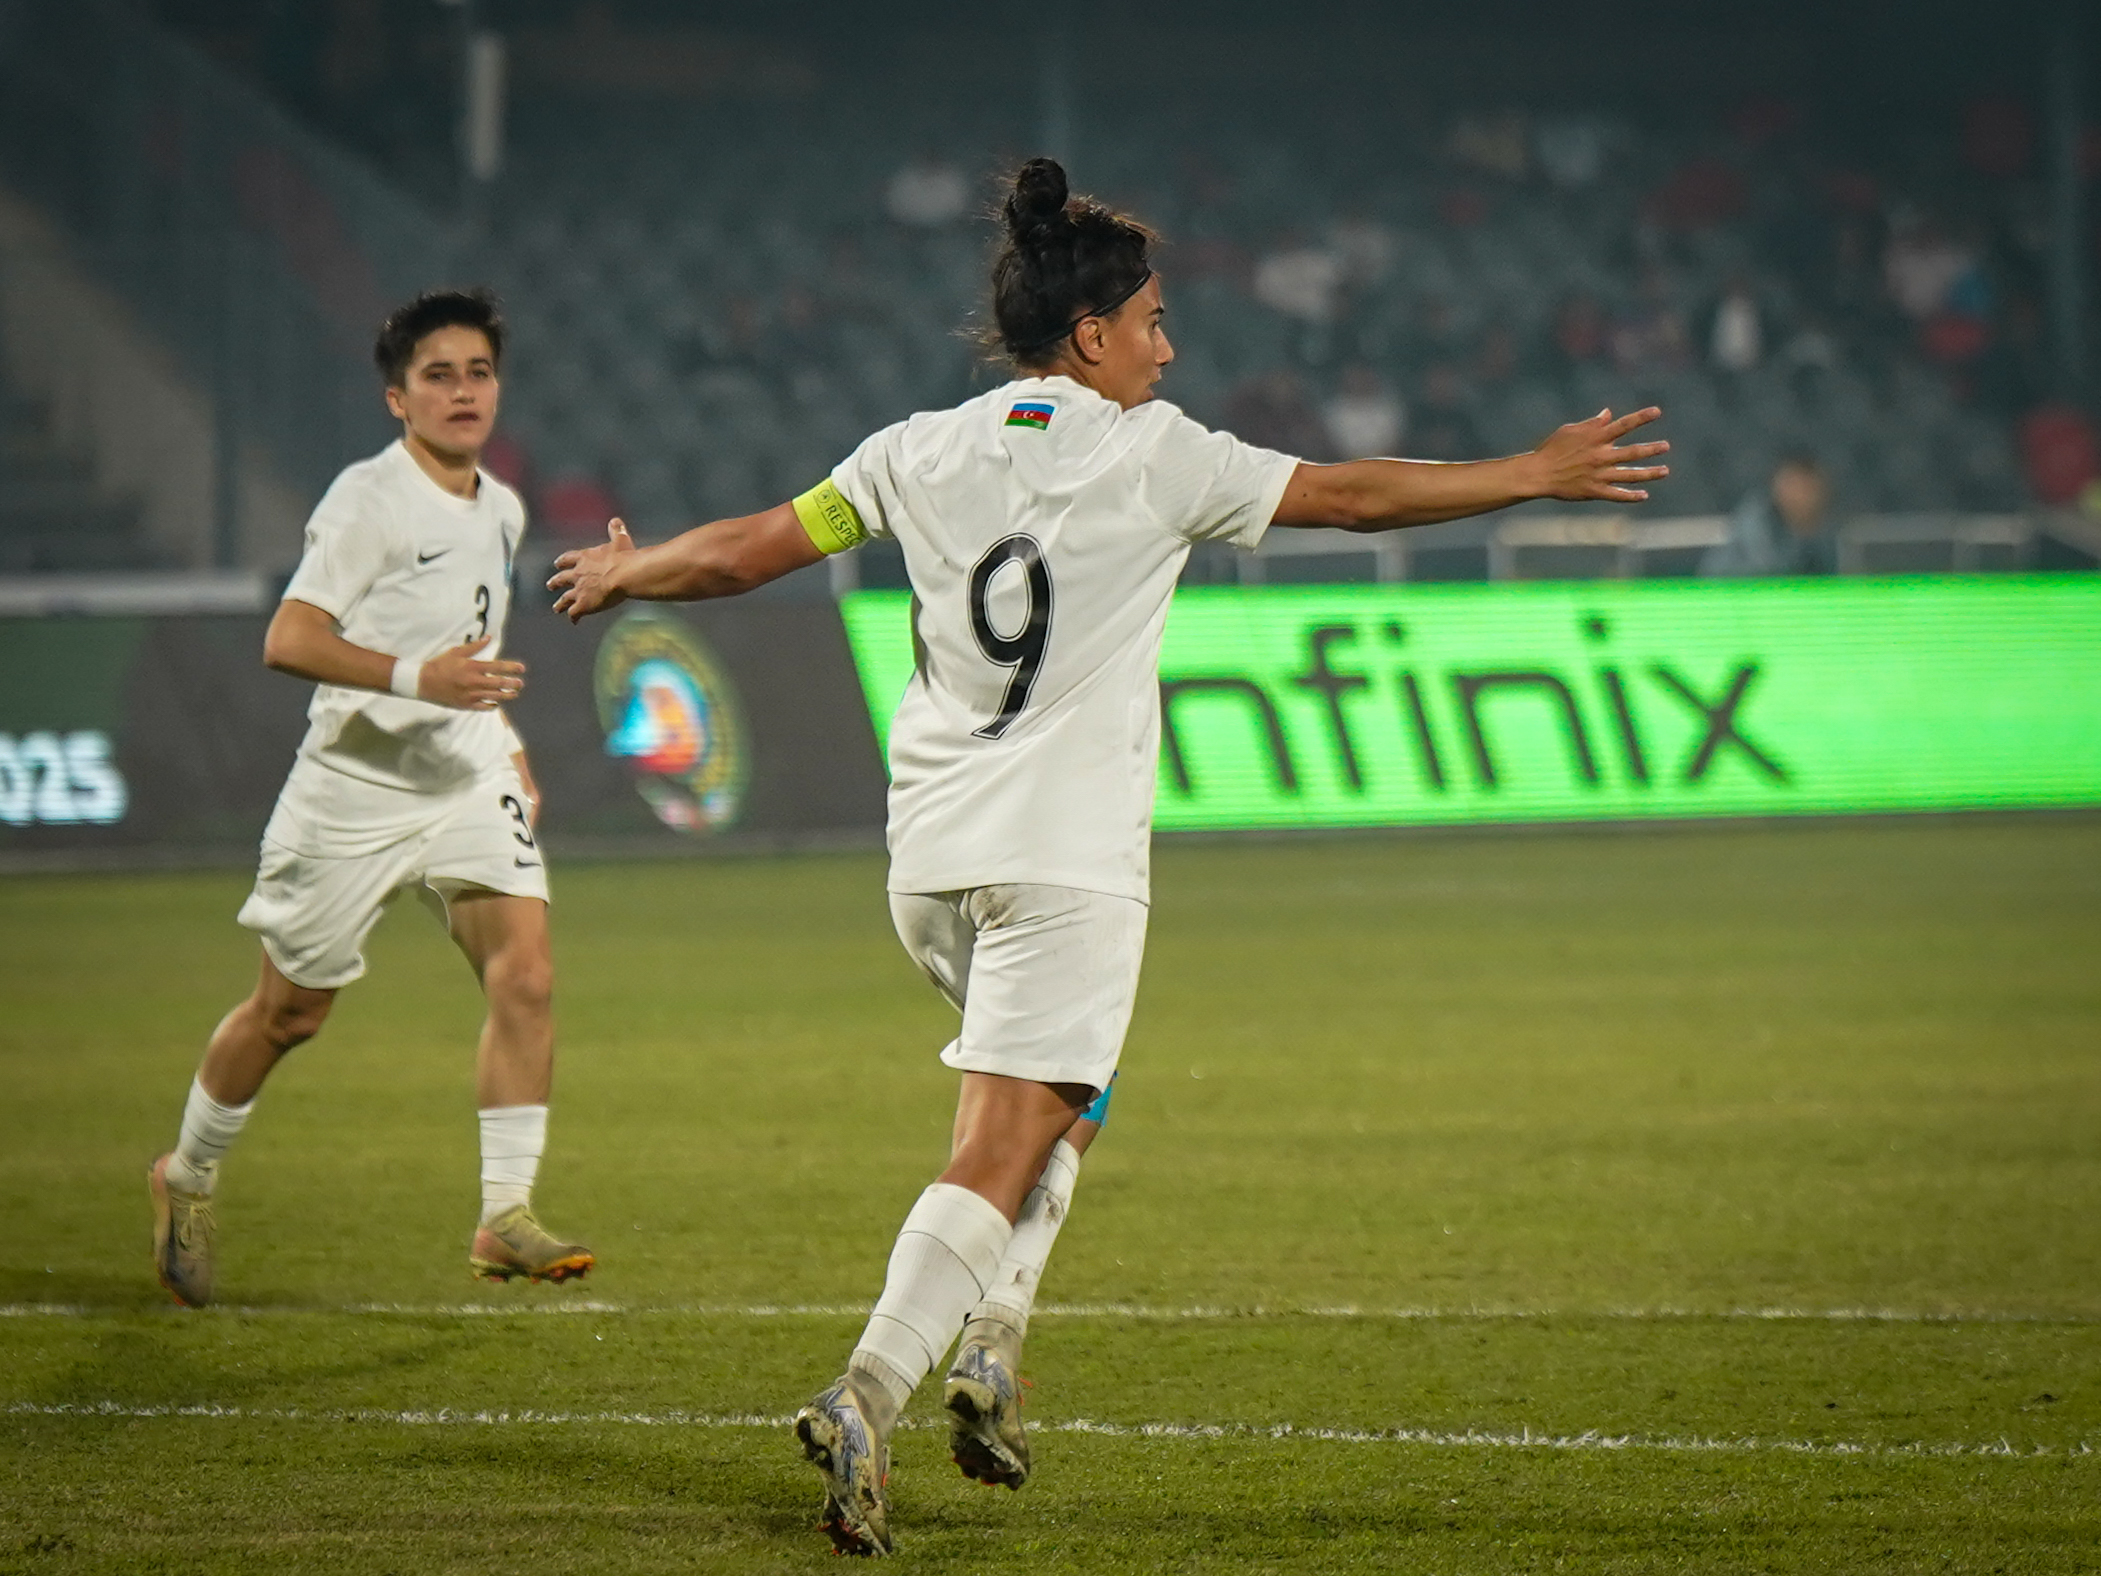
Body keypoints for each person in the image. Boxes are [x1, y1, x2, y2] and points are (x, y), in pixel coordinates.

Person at [547, 158, 1667, 1557]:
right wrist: (1531, 474)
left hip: (929, 863)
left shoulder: (914, 450)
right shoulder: (1157, 455)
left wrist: (633, 569)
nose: (1167, 348)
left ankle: (998, 1335)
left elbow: (752, 552)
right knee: (1000, 1142)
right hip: (1061, 863)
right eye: (1151, 322)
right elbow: (1352, 498)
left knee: (1066, 1103)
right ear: (1090, 336)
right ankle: (869, 1390)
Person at [148, 289, 591, 1308]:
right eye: (438, 376)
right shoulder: (367, 499)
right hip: (353, 789)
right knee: (289, 1012)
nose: (463, 391)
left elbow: (472, 651)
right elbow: (289, 638)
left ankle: (504, 1213)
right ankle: (187, 1173)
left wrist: (506, 744)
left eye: (478, 372)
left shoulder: (501, 505)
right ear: (398, 398)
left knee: (525, 976)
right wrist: (413, 679)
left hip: (465, 775)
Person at [1701, 452, 1837, 576]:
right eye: (1793, 485)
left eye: (1807, 488)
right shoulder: (1756, 528)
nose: (1801, 495)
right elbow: (1770, 574)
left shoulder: (1827, 534)